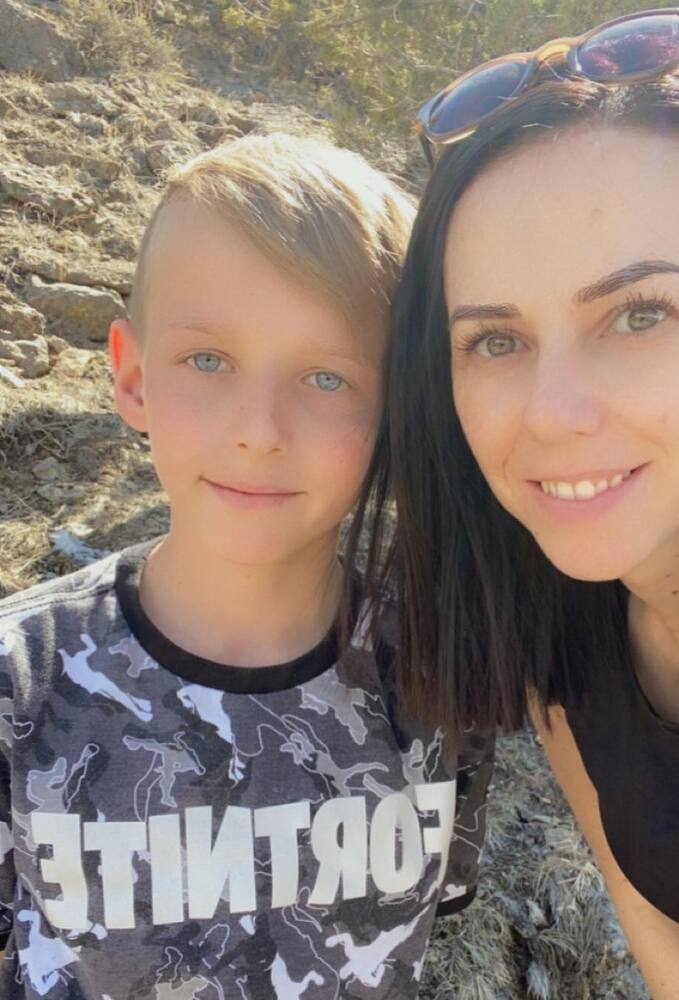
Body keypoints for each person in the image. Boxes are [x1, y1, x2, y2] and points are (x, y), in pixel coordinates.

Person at [351, 8, 679, 999]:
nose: (551, 415)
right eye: (495, 340)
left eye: (638, 315)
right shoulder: (555, 623)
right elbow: (662, 937)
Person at [0, 133, 494, 999]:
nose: (259, 430)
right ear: (133, 378)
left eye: (327, 378)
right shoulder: (20, 682)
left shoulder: (443, 676)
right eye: (208, 360)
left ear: (397, 407)